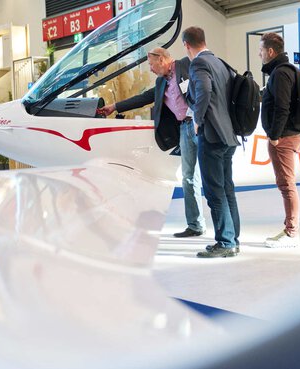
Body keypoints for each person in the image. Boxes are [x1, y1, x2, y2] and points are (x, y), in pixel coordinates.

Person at [100, 47, 206, 238]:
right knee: (189, 177)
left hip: (204, 126)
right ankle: (196, 224)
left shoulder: (187, 65)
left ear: (163, 59)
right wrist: (115, 107)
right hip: (184, 129)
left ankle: (226, 233)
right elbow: (142, 99)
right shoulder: (161, 83)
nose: (150, 69)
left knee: (213, 177)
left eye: (151, 64)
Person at [182, 26, 241, 258]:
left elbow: (204, 91)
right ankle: (233, 239)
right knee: (227, 189)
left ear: (187, 45)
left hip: (212, 135)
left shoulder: (198, 64)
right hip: (228, 135)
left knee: (214, 191)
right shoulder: (220, 63)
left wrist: (197, 118)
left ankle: (225, 243)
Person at [258, 32, 300, 248]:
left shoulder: (281, 74)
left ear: (270, 51)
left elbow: (282, 107)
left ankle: (291, 233)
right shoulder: (281, 72)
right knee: (286, 183)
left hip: (283, 137)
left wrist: (274, 136)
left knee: (287, 184)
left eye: (260, 51)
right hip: (284, 135)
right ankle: (290, 229)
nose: (259, 55)